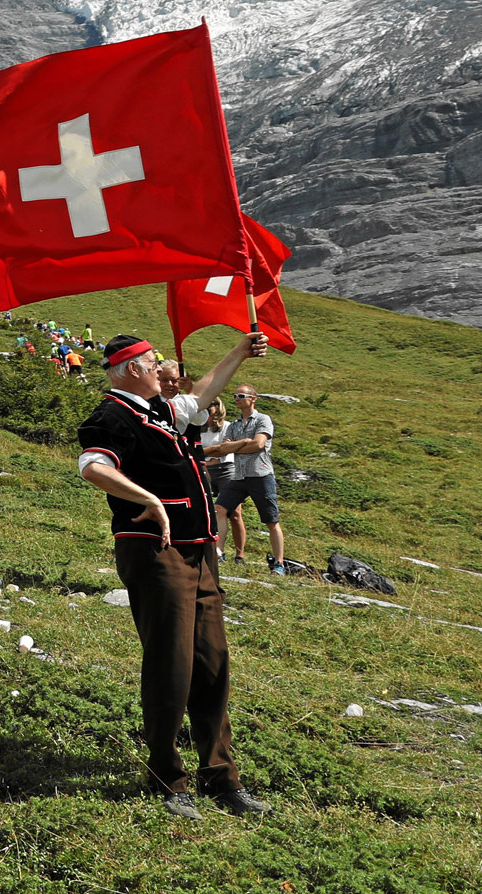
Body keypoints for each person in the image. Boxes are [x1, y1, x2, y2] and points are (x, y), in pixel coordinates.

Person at [76, 332, 270, 820]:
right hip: (157, 553)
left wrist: (240, 352)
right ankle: (168, 778)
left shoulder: (161, 409)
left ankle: (222, 778)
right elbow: (93, 466)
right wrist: (149, 499)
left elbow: (202, 392)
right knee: (171, 664)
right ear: (134, 370)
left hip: (199, 550)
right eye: (152, 361)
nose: (161, 367)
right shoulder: (111, 415)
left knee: (211, 660)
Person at [212, 385, 284, 574]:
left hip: (260, 475)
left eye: (241, 395)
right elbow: (225, 448)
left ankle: (279, 564)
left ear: (253, 399)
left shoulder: (263, 419)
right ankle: (219, 553)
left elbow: (259, 444)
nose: (237, 398)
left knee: (271, 520)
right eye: (235, 395)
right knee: (219, 509)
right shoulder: (234, 425)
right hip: (239, 476)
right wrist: (245, 444)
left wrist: (238, 446)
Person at [199, 399, 241, 562]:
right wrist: (212, 453)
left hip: (226, 470)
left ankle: (240, 554)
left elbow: (225, 450)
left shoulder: (228, 426)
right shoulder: (198, 429)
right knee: (207, 510)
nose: (211, 407)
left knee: (235, 513)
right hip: (204, 470)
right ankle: (212, 550)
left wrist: (206, 454)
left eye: (214, 404)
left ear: (219, 408)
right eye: (208, 404)